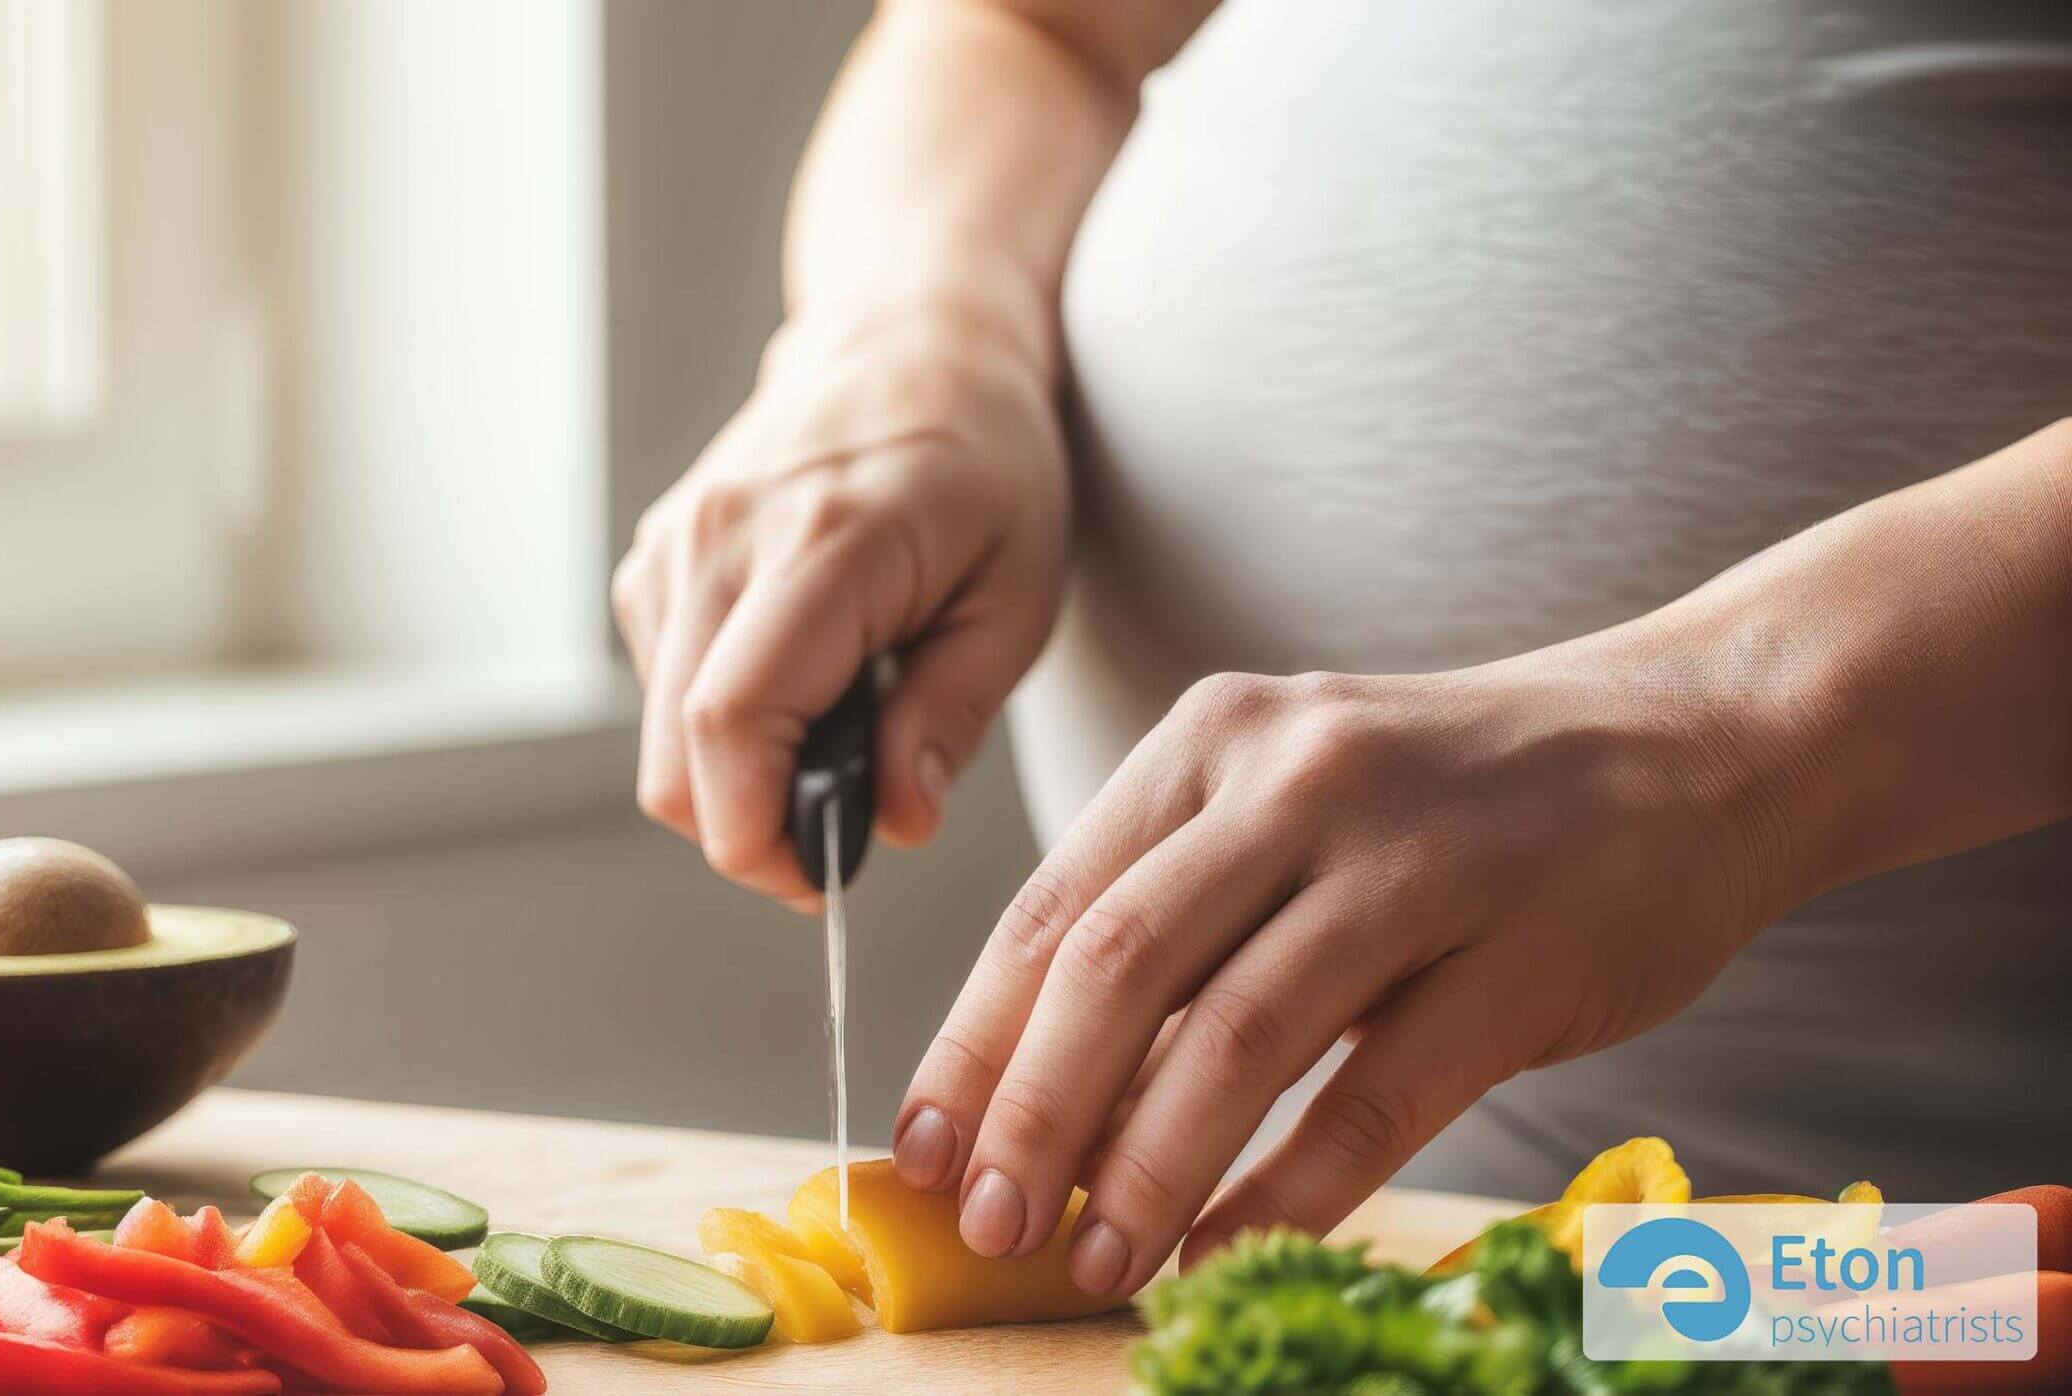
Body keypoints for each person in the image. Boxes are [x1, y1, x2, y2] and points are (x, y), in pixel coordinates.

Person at [611, 0, 2072, 1300]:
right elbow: (1029, 27)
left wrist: (1740, 744)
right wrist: (920, 327)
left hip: (1920, 1282)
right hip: (1363, 1303)